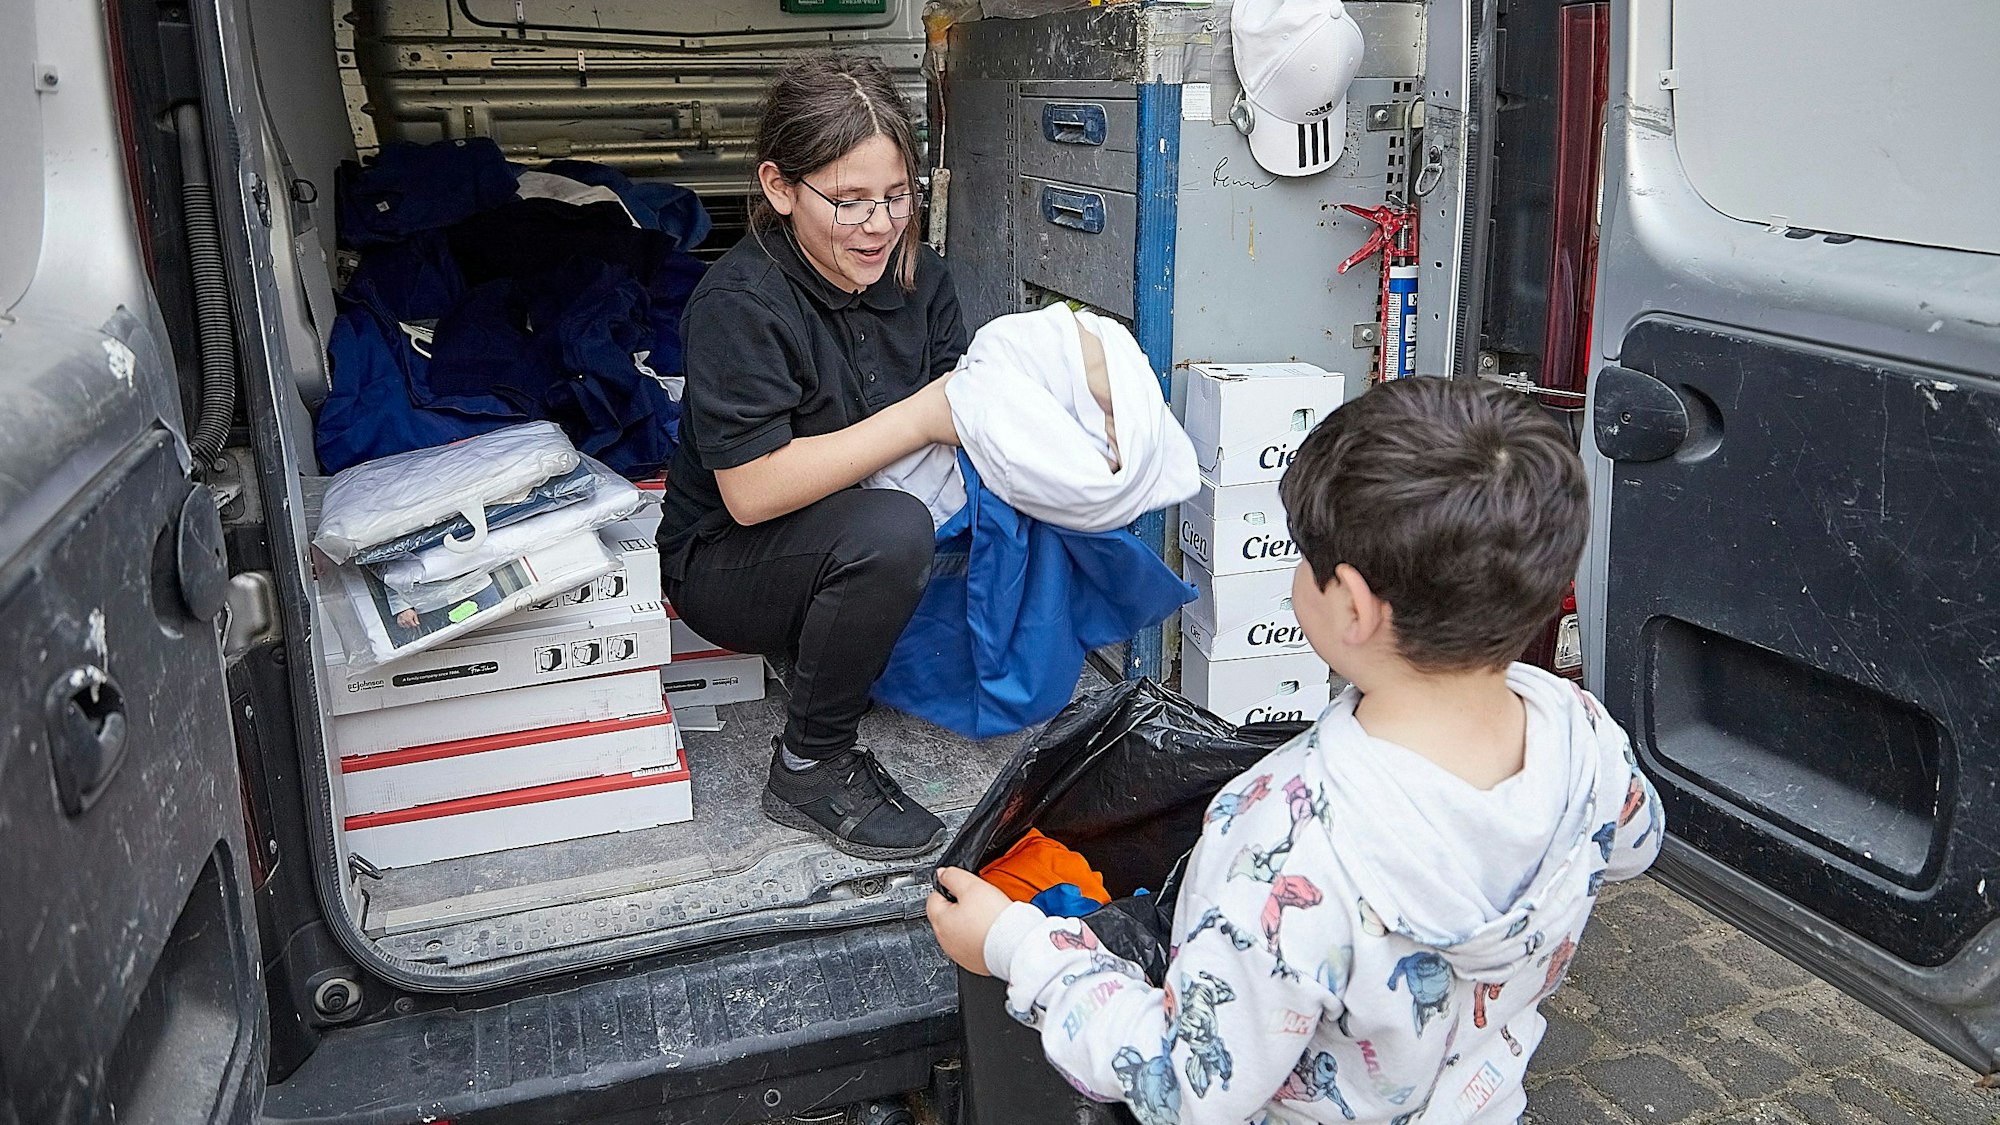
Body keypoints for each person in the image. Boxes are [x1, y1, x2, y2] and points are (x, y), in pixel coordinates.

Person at [928, 376, 1665, 1124]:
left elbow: (1186, 1084)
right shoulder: (1583, 735)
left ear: (1351, 602)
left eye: (1303, 555)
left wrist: (1018, 946)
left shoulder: (1284, 839)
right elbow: (1635, 842)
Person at [654, 53, 965, 860]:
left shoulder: (921, 279)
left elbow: (970, 407)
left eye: (897, 197)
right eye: (849, 201)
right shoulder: (740, 303)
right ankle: (809, 766)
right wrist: (922, 416)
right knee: (891, 532)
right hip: (727, 560)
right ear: (780, 187)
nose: (879, 224)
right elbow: (753, 494)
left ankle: (836, 642)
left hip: (846, 519)